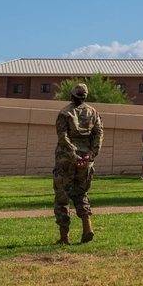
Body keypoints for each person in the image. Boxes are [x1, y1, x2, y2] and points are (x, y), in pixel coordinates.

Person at [53, 82, 103, 245]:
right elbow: (98, 134)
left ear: (71, 95)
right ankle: (87, 227)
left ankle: (64, 237)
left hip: (66, 160)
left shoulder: (64, 113)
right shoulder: (93, 112)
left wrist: (72, 154)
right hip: (86, 160)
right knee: (80, 194)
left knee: (62, 197)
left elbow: (63, 136)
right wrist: (90, 155)